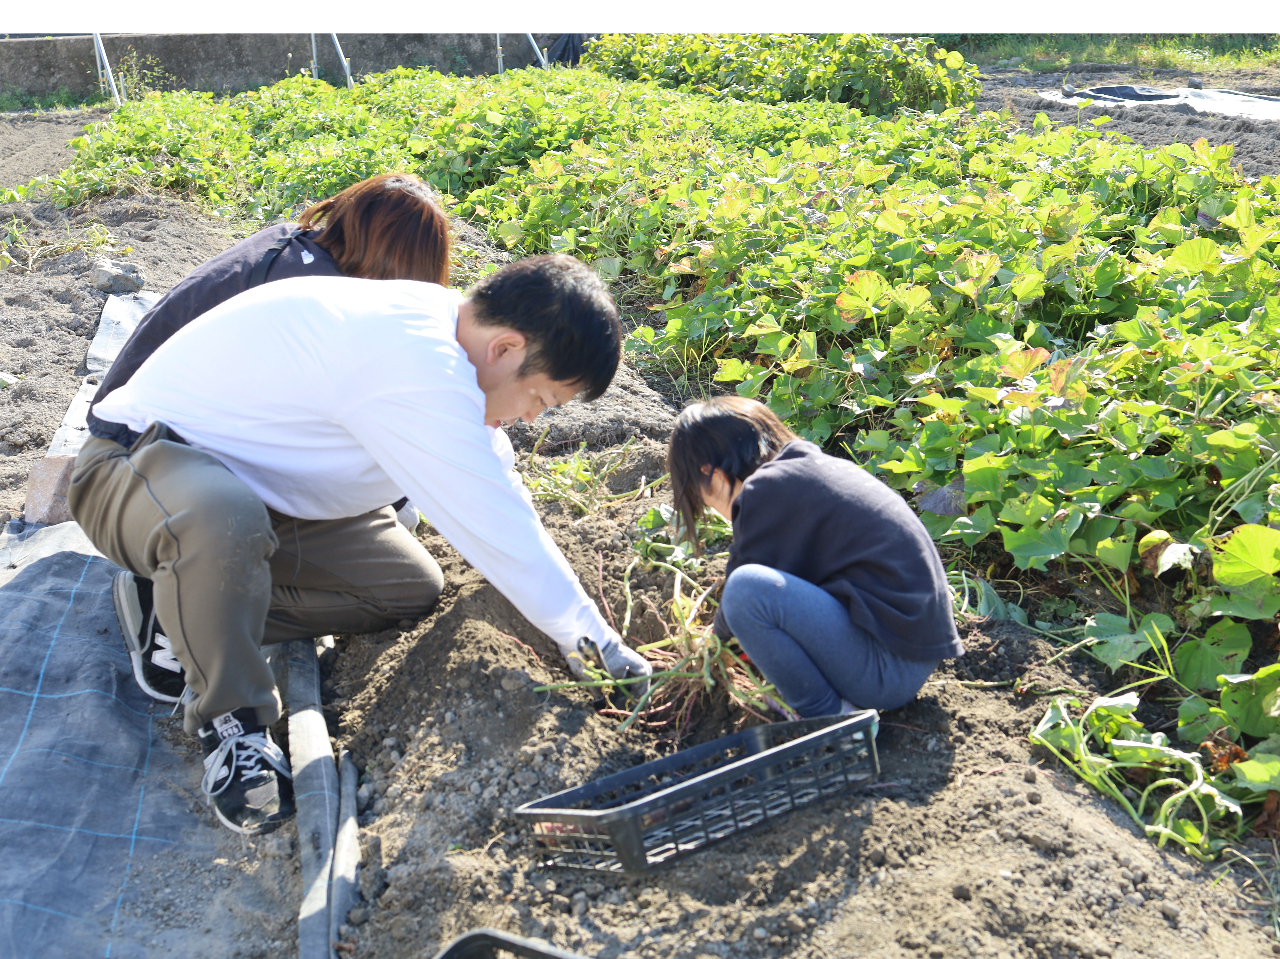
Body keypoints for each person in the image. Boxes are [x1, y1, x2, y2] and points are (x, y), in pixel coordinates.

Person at [69, 254, 652, 835]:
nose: (529, 418)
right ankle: (233, 726)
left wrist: (584, 629)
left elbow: (498, 487)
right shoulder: (411, 357)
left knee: (403, 586)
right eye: (540, 400)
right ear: (506, 348)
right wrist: (595, 644)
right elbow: (493, 525)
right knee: (224, 521)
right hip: (136, 468)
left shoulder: (450, 339)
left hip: (255, 495)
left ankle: (177, 606)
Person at [86, 172, 451, 706]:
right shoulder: (316, 296)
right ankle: (180, 613)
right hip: (146, 455)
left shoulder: (303, 254)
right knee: (243, 516)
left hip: (203, 445)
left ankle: (183, 601)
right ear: (404, 263)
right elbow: (324, 423)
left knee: (409, 583)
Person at [667, 397, 963, 719]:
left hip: (885, 671)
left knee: (743, 591)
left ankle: (828, 717)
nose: (713, 508)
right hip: (911, 655)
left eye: (702, 497)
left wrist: (712, 643)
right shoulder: (807, 470)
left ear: (710, 474)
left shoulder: (763, 492)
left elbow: (740, 600)